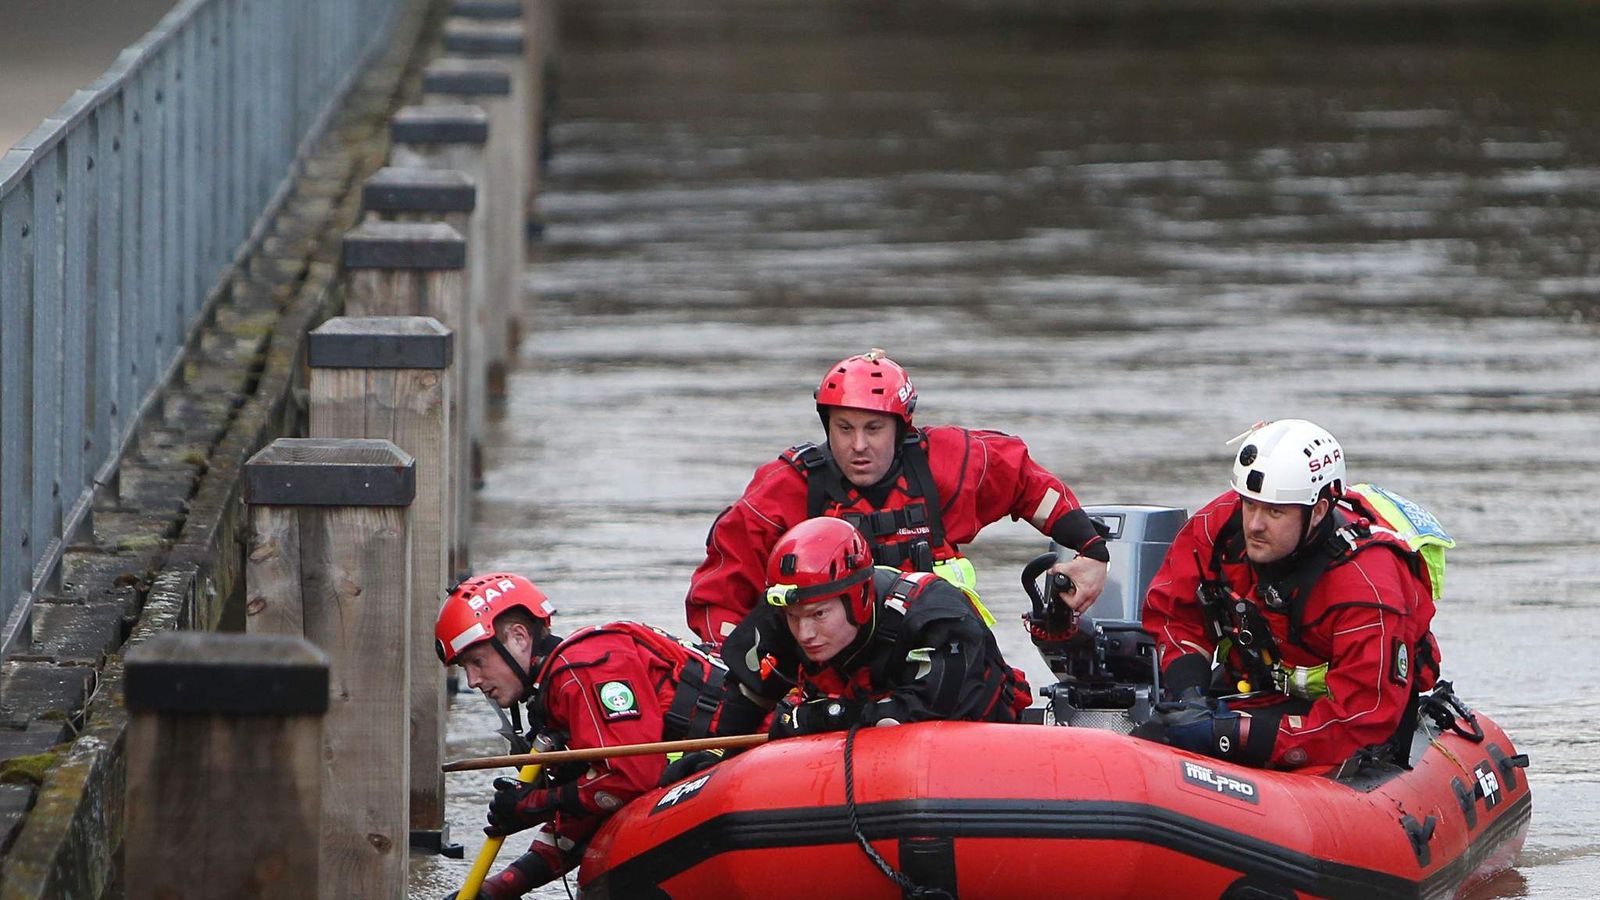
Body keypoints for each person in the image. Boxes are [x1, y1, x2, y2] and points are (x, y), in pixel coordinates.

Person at [685, 348, 1110, 648]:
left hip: (945, 653)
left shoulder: (948, 462)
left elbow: (1026, 481)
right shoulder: (785, 489)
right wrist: (742, 668)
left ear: (901, 428)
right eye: (844, 428)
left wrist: (1091, 550)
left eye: (873, 429)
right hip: (828, 671)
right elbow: (720, 594)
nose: (858, 446)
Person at [1139, 419, 1447, 769]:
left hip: (1338, 716)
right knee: (1154, 738)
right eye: (1250, 505)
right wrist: (1189, 695)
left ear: (1317, 512)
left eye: (1274, 512)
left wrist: (1230, 736)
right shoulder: (1221, 528)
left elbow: (1363, 718)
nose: (1254, 524)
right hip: (1254, 688)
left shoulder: (1366, 586)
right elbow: (1174, 614)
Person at [664, 517, 1032, 781]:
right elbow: (745, 697)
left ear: (856, 598)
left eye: (819, 615)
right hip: (849, 768)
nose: (805, 633)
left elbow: (916, 720)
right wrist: (712, 760)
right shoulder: (786, 616)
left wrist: (818, 717)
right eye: (794, 617)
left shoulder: (935, 619)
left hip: (974, 763)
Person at [435, 573, 729, 899]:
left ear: (519, 637)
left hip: (752, 762)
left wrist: (533, 804)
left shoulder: (581, 669)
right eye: (464, 668)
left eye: (477, 662)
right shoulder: (559, 699)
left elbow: (631, 777)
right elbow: (580, 817)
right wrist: (496, 890)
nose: (473, 680)